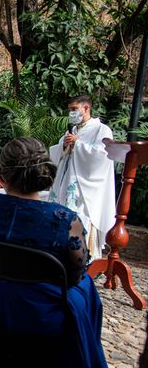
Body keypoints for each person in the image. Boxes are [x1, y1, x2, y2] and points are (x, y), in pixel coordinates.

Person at [0, 137, 122, 368]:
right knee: (86, 291)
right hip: (40, 316)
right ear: (44, 171)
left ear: (4, 173)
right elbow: (74, 276)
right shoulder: (64, 219)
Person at [49, 95, 116, 260]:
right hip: (66, 182)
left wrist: (78, 144)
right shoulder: (72, 130)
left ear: (86, 108)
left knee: (80, 220)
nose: (71, 113)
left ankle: (84, 259)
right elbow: (59, 153)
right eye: (70, 110)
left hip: (85, 189)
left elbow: (103, 156)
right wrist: (64, 145)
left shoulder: (102, 130)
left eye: (74, 109)